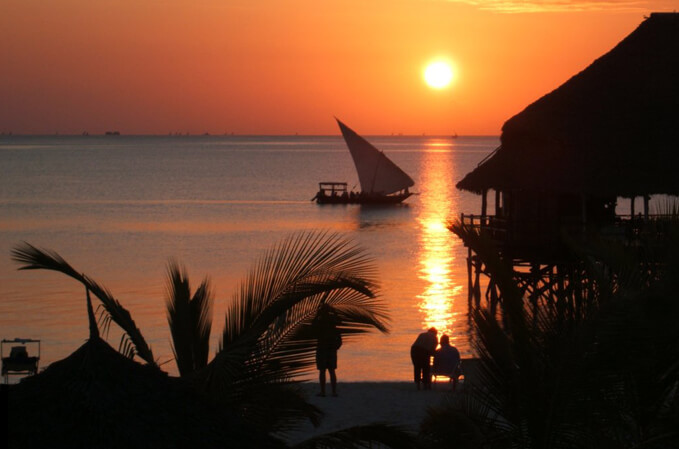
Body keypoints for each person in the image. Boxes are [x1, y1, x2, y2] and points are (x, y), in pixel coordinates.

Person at [314, 307, 342, 397]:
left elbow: (313, 325)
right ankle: (333, 392)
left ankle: (323, 392)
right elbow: (339, 322)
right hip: (330, 348)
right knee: (331, 371)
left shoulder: (320, 322)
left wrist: (317, 314)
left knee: (323, 371)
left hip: (323, 348)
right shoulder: (332, 322)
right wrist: (334, 312)